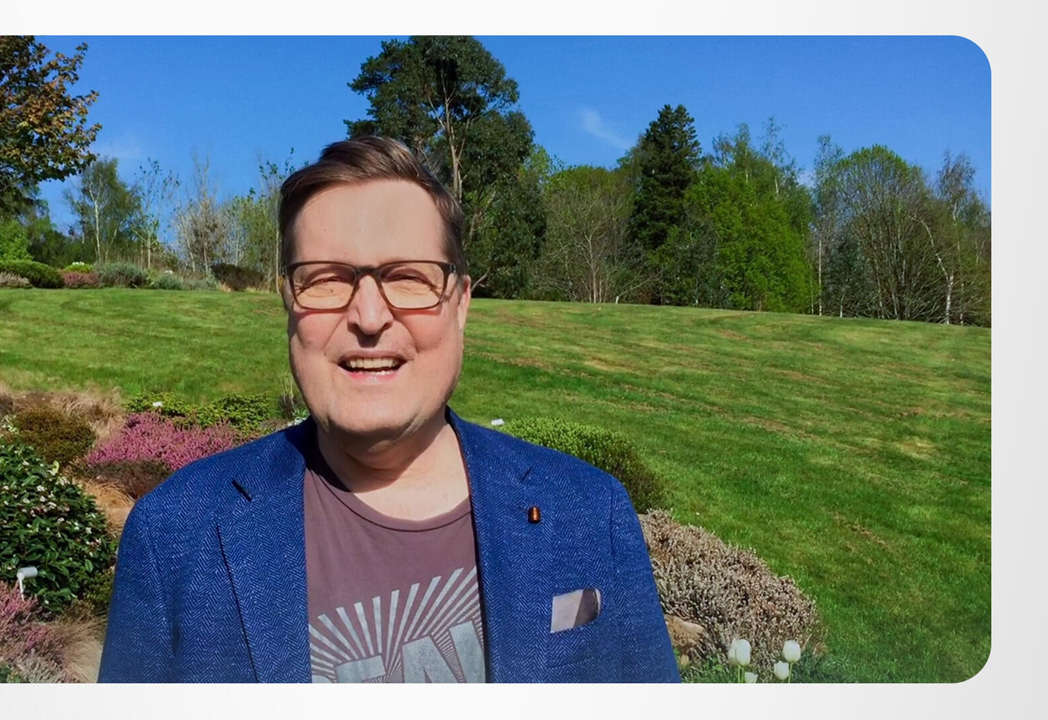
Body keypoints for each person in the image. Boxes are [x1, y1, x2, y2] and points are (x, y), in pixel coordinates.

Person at [98, 136, 679, 683]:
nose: (369, 317)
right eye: (326, 280)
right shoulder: (174, 535)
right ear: (289, 303)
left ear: (460, 304)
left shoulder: (589, 512)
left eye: (407, 278)